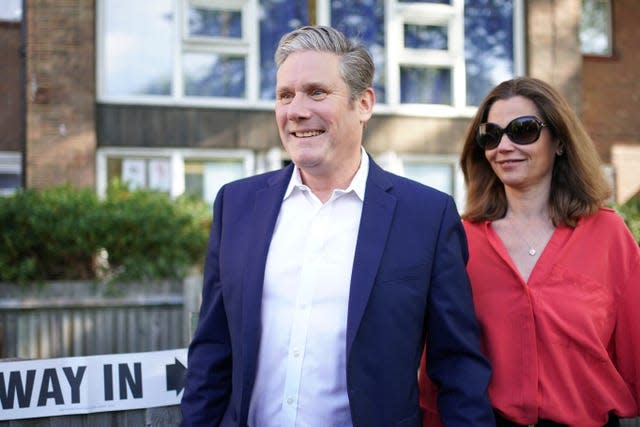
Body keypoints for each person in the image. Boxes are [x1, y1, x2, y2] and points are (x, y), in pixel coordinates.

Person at [181, 25, 494, 427]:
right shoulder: (236, 205)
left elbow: (457, 366)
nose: (296, 110)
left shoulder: (426, 216)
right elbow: (212, 351)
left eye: (316, 92)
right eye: (284, 95)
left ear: (363, 104)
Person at [419, 76, 640, 427]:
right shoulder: (460, 241)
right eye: (491, 135)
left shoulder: (608, 234)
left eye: (522, 130)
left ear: (559, 142)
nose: (503, 146)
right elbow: (440, 367)